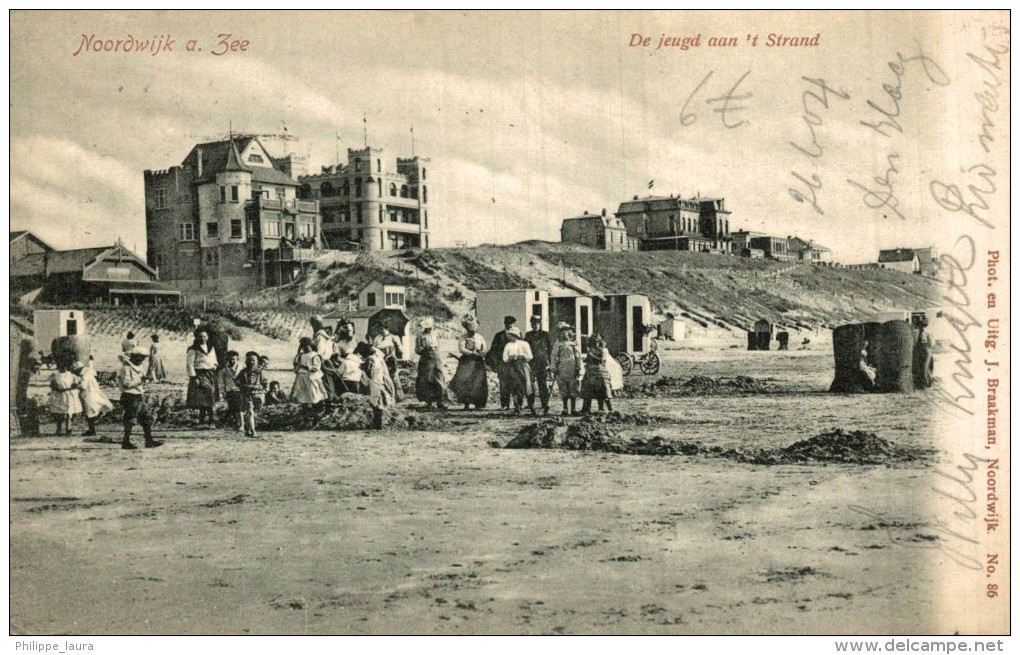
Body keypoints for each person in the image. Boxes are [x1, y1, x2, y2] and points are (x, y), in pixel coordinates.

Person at [118, 347, 162, 449]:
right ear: (134, 357)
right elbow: (126, 384)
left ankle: (149, 440)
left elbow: (141, 378)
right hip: (130, 396)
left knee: (146, 417)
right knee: (130, 418)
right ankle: (126, 441)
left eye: (143, 358)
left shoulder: (139, 367)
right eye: (140, 358)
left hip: (138, 395)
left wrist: (145, 379)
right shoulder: (126, 368)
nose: (142, 360)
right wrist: (140, 381)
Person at [450, 315, 488, 410]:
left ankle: (478, 403)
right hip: (467, 362)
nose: (472, 332)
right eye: (470, 331)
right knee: (466, 381)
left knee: (478, 382)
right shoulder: (463, 337)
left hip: (478, 363)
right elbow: (461, 348)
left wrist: (481, 352)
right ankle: (466, 403)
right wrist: (471, 353)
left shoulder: (480, 337)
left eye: (474, 331)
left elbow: (484, 347)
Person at [186, 327, 219, 427]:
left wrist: (215, 365)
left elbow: (214, 360)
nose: (203, 339)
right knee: (205, 396)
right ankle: (209, 420)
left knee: (209, 397)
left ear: (207, 337)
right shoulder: (193, 349)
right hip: (199, 375)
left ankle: (205, 421)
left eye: (204, 336)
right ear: (196, 337)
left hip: (210, 374)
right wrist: (194, 377)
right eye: (200, 337)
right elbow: (189, 364)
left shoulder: (211, 347)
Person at [414, 317, 448, 410]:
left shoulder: (435, 334)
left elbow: (439, 345)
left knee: (439, 377)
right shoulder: (420, 335)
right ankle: (429, 403)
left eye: (430, 327)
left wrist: (435, 351)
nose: (428, 329)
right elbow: (417, 349)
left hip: (436, 357)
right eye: (427, 327)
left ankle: (440, 402)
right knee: (427, 379)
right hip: (426, 358)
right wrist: (423, 351)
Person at [485, 316, 517, 411]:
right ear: (505, 324)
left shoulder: (517, 335)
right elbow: (493, 350)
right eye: (507, 324)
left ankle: (517, 405)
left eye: (511, 324)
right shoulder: (499, 336)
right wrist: (495, 364)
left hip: (514, 365)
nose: (509, 325)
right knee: (504, 384)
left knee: (515, 384)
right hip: (503, 364)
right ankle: (505, 405)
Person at [550, 323, 583, 416]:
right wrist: (554, 367)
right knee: (563, 388)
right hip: (562, 368)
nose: (563, 334)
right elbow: (553, 356)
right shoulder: (558, 344)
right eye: (561, 332)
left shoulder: (573, 344)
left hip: (572, 368)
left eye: (566, 332)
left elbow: (578, 357)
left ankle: (573, 408)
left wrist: (579, 367)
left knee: (573, 387)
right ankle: (565, 408)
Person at [524, 315, 554, 415]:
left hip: (542, 363)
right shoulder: (528, 335)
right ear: (531, 324)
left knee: (543, 384)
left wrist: (550, 363)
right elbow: (525, 348)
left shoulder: (545, 335)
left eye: (537, 323)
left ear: (540, 323)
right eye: (533, 323)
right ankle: (531, 404)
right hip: (531, 363)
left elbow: (550, 350)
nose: (535, 325)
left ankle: (545, 404)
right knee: (530, 384)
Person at [501, 326, 534, 415]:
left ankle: (531, 406)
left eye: (511, 335)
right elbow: (504, 358)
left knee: (527, 385)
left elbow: (530, 356)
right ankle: (517, 406)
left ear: (515, 335)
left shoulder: (524, 344)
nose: (509, 337)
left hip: (523, 366)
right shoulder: (508, 345)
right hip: (512, 367)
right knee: (516, 386)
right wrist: (510, 358)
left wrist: (522, 357)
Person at [78, 359, 113, 438]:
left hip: (88, 395)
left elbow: (83, 385)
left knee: (89, 413)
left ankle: (92, 429)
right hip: (93, 393)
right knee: (91, 411)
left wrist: (76, 384)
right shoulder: (89, 373)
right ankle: (93, 427)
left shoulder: (84, 375)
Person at [235, 351, 267, 438]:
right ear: (246, 362)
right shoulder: (243, 372)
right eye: (249, 360)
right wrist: (245, 386)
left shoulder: (261, 372)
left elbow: (265, 384)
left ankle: (248, 429)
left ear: (257, 361)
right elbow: (237, 381)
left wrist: (258, 386)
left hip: (258, 395)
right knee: (250, 411)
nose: (251, 362)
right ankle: (253, 431)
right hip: (247, 394)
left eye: (253, 360)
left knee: (255, 412)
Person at [311, 315, 342, 400]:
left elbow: (319, 351)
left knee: (325, 383)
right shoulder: (324, 335)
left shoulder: (320, 336)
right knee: (328, 383)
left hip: (322, 362)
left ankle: (328, 401)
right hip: (327, 361)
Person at [580, 335, 613, 414]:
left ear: (599, 342)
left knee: (602, 390)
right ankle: (586, 408)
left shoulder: (602, 351)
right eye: (593, 342)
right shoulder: (590, 350)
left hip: (600, 370)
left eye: (596, 342)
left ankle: (605, 408)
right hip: (590, 371)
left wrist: (591, 355)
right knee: (587, 390)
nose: (595, 344)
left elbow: (602, 360)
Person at [357, 341, 396, 408]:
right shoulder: (378, 358)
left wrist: (362, 370)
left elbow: (369, 376)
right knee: (385, 402)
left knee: (377, 405)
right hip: (382, 382)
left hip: (375, 384)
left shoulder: (369, 360)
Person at [291, 336, 328, 406]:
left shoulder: (314, 355)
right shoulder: (301, 355)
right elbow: (296, 363)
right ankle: (305, 405)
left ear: (311, 345)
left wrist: (305, 367)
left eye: (307, 346)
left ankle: (317, 405)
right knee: (302, 392)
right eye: (303, 346)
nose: (305, 348)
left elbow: (316, 368)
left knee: (313, 391)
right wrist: (297, 366)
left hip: (311, 377)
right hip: (301, 376)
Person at [373, 322, 404, 400]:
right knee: (383, 377)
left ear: (387, 329)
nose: (382, 331)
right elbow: (374, 347)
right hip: (380, 360)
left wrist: (397, 349)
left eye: (383, 329)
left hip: (390, 360)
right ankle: (387, 396)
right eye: (380, 329)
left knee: (394, 377)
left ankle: (399, 396)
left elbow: (401, 349)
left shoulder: (393, 337)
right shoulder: (377, 338)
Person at [49, 362, 82, 435]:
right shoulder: (55, 375)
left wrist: (67, 388)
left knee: (68, 412)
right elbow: (52, 385)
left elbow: (77, 385)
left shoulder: (71, 376)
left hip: (67, 395)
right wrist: (57, 389)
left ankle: (68, 428)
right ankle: (59, 429)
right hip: (59, 395)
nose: (62, 368)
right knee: (59, 412)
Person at [218, 350, 243, 430]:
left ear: (237, 359)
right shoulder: (224, 370)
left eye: (233, 359)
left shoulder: (241, 368)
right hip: (229, 391)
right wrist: (222, 392)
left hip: (240, 390)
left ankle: (241, 425)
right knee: (233, 408)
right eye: (229, 359)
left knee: (239, 408)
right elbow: (221, 383)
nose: (232, 361)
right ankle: (237, 424)